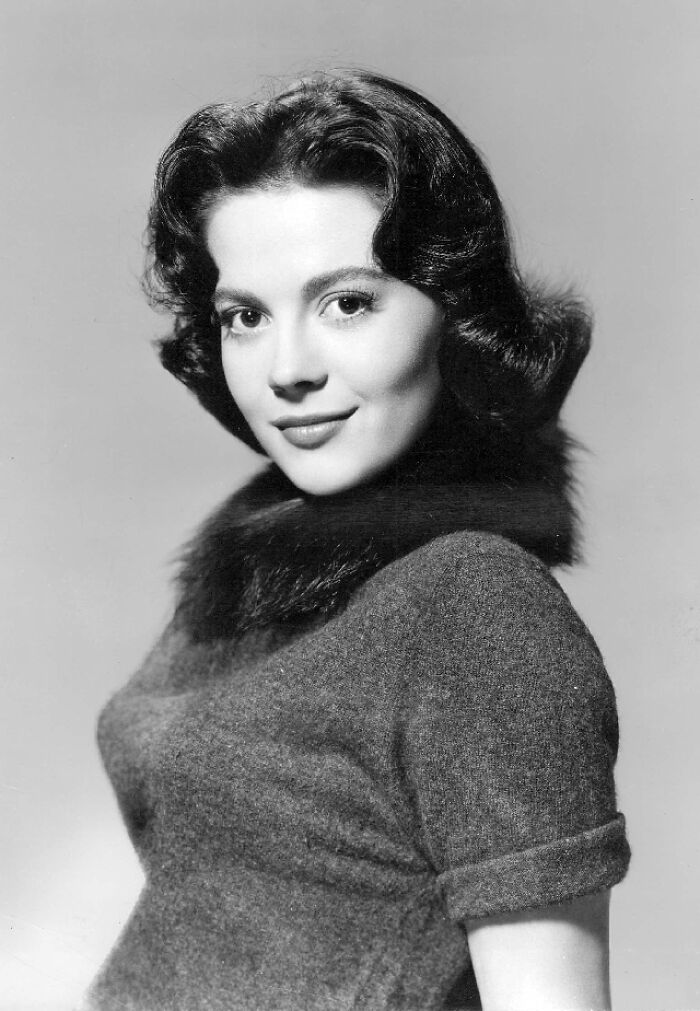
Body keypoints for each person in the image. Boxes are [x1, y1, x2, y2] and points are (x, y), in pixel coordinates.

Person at [88, 70, 631, 1011]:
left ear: (451, 312)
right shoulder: (253, 568)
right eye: (245, 316)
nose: (289, 370)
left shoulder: (475, 605)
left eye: (347, 302)